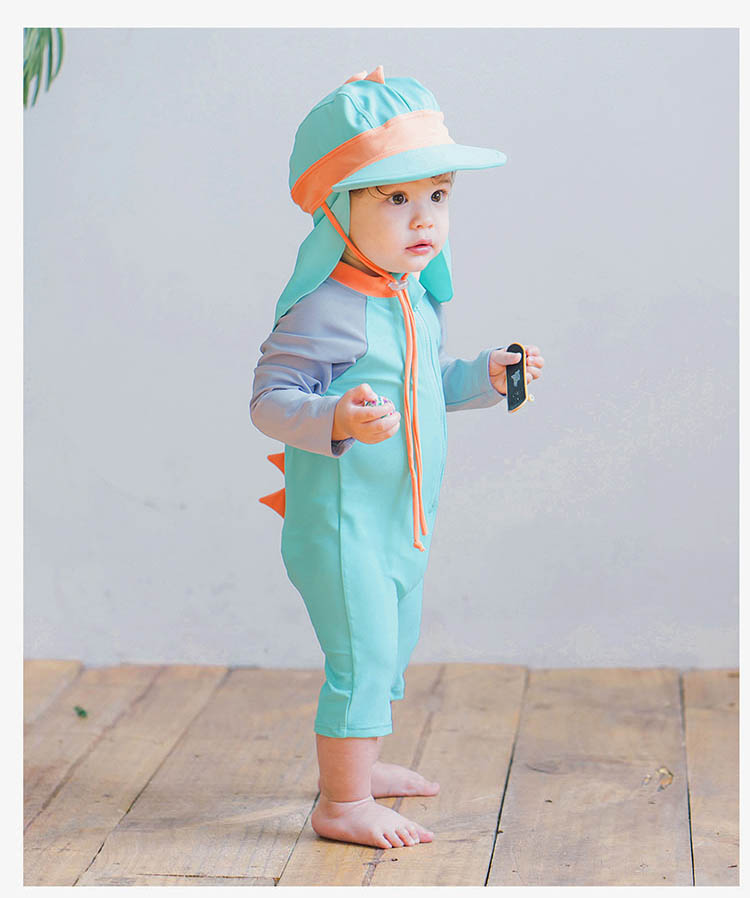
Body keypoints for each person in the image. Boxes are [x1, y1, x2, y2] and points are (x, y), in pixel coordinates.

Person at [250, 65, 544, 850]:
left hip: (401, 522)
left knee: (393, 643)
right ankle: (342, 804)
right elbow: (269, 401)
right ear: (338, 208)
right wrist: (335, 415)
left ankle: (361, 764)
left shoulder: (410, 296)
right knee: (364, 650)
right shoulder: (326, 309)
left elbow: (423, 386)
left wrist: (483, 377)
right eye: (395, 198)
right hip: (342, 524)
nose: (425, 219)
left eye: (438, 195)